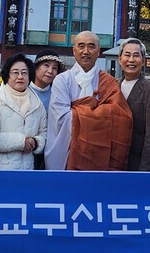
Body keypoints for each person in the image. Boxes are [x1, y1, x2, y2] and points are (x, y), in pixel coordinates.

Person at [45, 30, 132, 171]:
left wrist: (79, 111)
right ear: (74, 50)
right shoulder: (62, 80)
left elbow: (120, 118)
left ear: (98, 51)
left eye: (91, 46)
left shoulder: (108, 82)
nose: (86, 51)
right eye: (81, 46)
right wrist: (99, 116)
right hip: (67, 151)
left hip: (99, 153)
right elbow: (61, 119)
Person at [0, 54, 47, 170]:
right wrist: (21, 142)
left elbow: (44, 133)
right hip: (0, 169)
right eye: (15, 72)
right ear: (7, 75)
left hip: (27, 169)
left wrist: (36, 142)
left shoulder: (37, 104)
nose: (20, 77)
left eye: (24, 73)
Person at [118, 38, 150, 171]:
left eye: (136, 55)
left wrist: (144, 172)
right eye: (127, 55)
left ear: (143, 61)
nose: (131, 60)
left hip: (136, 164)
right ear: (120, 59)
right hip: (113, 163)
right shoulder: (112, 86)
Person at [30, 50, 64, 169]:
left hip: (51, 147)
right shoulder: (24, 90)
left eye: (55, 68)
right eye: (46, 65)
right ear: (35, 68)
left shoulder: (59, 93)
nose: (50, 71)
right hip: (28, 147)